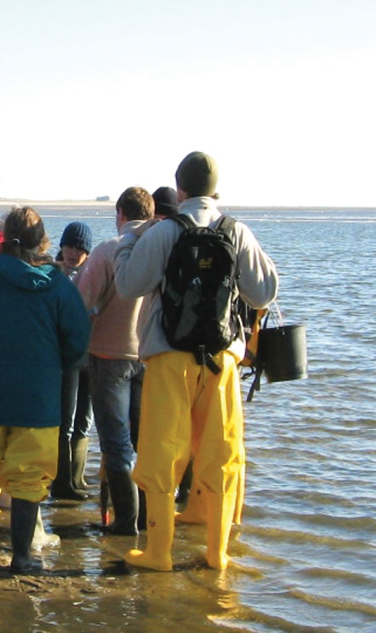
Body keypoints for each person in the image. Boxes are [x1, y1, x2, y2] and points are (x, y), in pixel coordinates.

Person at [113, 152, 278, 571]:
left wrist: (130, 241)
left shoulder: (165, 231)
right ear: (216, 190)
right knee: (220, 454)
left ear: (180, 189)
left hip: (170, 356)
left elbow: (130, 284)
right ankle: (217, 553)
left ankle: (158, 553)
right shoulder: (236, 231)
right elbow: (263, 293)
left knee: (162, 453)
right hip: (222, 360)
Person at [0, 206, 90, 575]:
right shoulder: (58, 285)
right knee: (29, 477)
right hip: (37, 401)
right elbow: (76, 342)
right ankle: (22, 556)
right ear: (42, 241)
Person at [76, 187, 153, 535]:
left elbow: (81, 302)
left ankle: (126, 521)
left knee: (116, 442)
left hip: (109, 355)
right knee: (143, 440)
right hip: (149, 355)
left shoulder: (108, 250)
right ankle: (146, 517)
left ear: (120, 213)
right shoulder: (158, 248)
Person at [51, 222, 94, 501]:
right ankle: (61, 481)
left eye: (78, 248)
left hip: (91, 355)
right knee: (64, 421)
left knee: (84, 421)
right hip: (64, 357)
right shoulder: (53, 274)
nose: (72, 252)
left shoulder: (93, 273)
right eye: (68, 245)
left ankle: (77, 478)